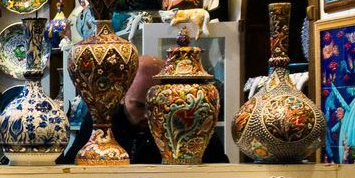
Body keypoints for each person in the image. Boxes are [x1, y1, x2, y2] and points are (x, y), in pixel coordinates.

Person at [57, 54, 228, 164]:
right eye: (139, 106)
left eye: (157, 107)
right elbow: (71, 166)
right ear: (121, 95)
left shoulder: (188, 123)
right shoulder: (101, 119)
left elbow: (219, 171)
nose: (147, 115)